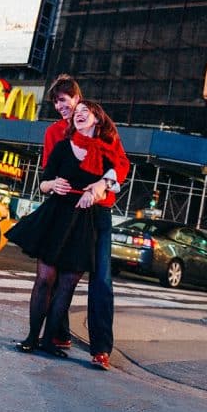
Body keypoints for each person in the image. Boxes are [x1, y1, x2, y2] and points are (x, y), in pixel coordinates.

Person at [7, 101, 123, 362]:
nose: (79, 115)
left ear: (97, 119)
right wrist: (52, 183)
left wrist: (96, 190)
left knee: (67, 285)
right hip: (57, 214)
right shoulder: (62, 146)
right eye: (77, 113)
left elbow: (116, 179)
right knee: (45, 279)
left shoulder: (107, 153)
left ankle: (50, 341)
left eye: (86, 112)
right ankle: (31, 338)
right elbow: (43, 182)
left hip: (86, 221)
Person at [41, 75, 129, 370]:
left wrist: (102, 185)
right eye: (55, 102)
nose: (60, 107)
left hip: (98, 211)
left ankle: (101, 347)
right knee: (56, 273)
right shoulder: (54, 132)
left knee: (101, 277)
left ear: (78, 99)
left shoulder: (102, 129)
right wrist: (53, 184)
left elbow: (121, 164)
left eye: (64, 100)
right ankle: (58, 333)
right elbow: (47, 172)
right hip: (64, 209)